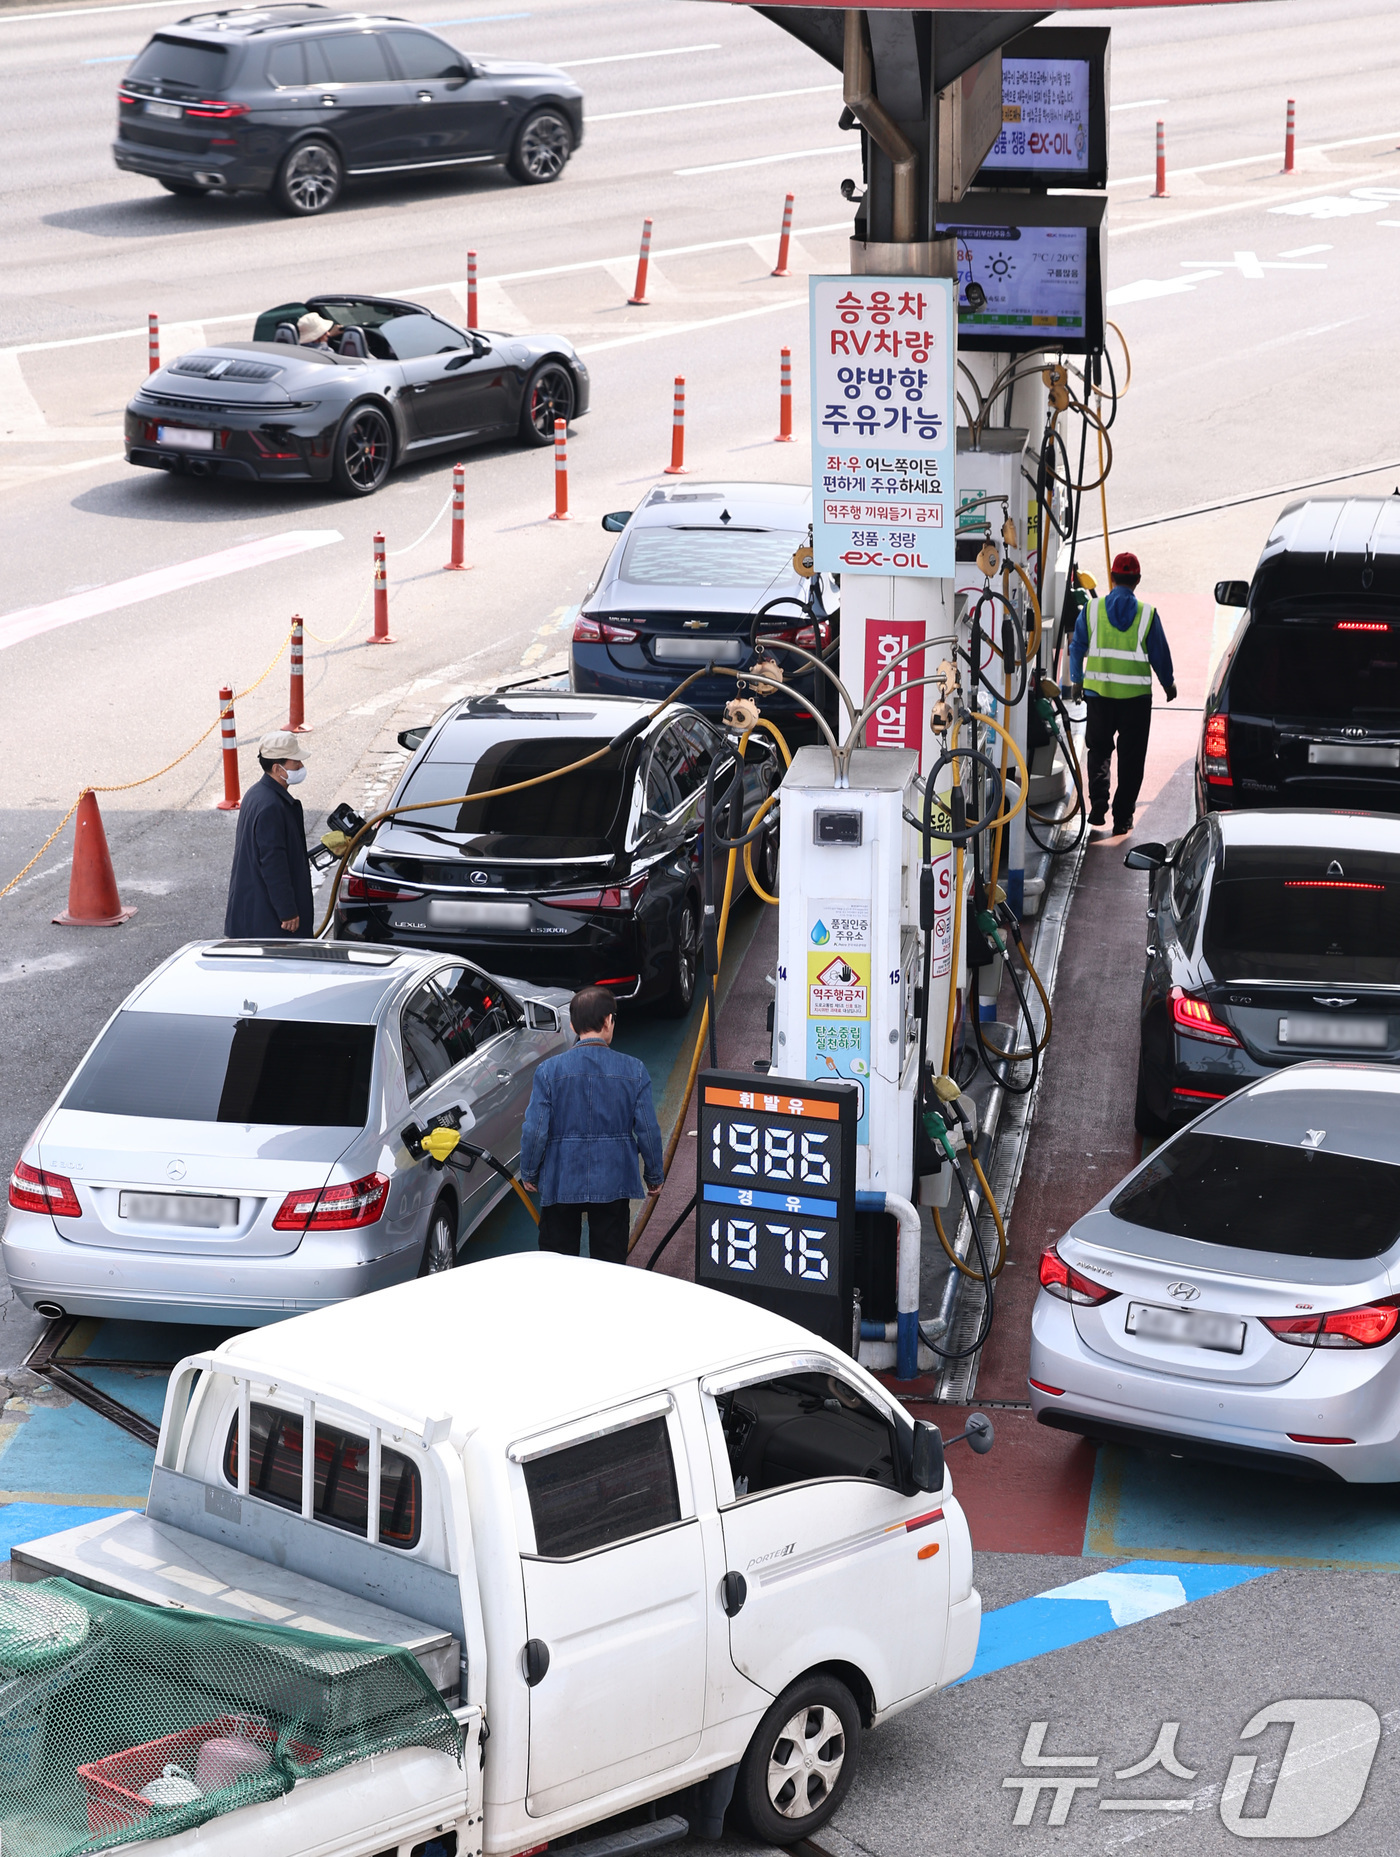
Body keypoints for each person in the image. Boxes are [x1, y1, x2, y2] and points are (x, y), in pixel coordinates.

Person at [518, 986, 664, 1265]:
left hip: (561, 1180)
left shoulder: (548, 1071)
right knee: (609, 1265)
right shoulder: (634, 1070)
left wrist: (530, 1171)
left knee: (557, 1266)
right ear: (609, 1020)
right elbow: (648, 1128)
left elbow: (535, 1129)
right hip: (614, 1180)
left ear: (573, 1025)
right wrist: (654, 1174)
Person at [1069, 550, 1178, 836]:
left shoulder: (1092, 610)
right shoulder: (1147, 615)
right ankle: (1123, 818)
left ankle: (1098, 807)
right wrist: (1169, 684)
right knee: (1131, 760)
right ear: (1137, 580)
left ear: (1112, 578)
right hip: (1135, 702)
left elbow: (1076, 647)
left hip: (1099, 697)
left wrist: (1076, 681)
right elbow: (1160, 655)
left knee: (1099, 751)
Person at [224, 732, 315, 939]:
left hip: (254, 912)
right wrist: (288, 911)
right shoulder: (272, 807)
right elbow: (274, 864)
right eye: (295, 762)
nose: (300, 766)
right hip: (269, 922)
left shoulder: (256, 794)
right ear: (277, 768)